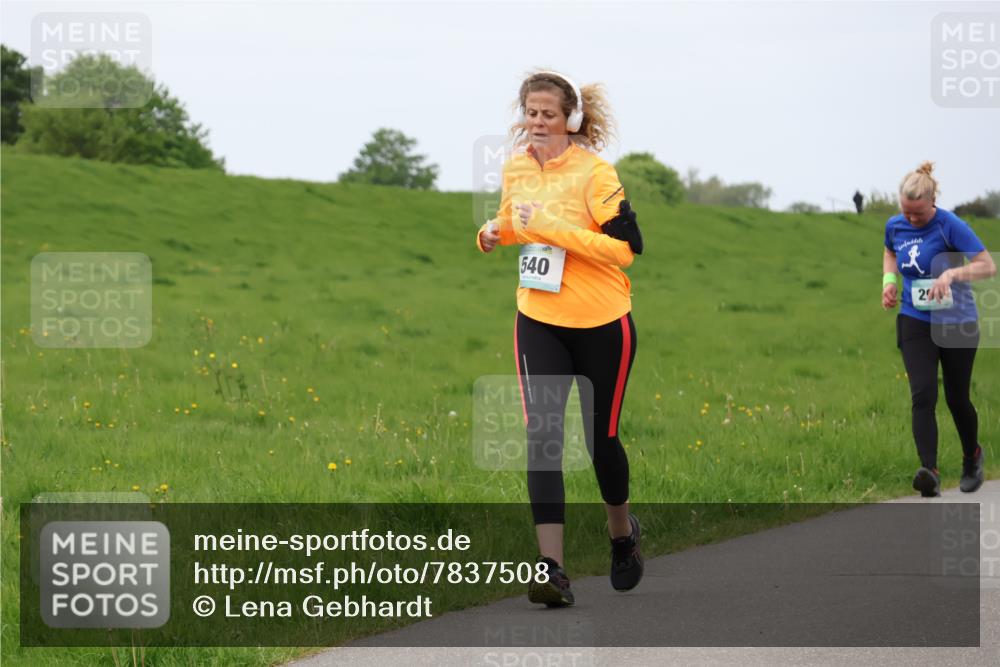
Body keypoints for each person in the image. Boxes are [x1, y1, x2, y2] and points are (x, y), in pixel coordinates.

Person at [475, 70, 645, 606]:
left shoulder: (596, 173)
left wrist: (552, 227)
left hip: (602, 320)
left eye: (549, 114)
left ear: (569, 119)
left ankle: (622, 536)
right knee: (543, 437)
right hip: (539, 317)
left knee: (601, 441)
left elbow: (625, 249)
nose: (538, 122)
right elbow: (515, 222)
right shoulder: (516, 166)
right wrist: (491, 233)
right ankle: (552, 569)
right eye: (531, 112)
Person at [881, 161, 996, 497]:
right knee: (923, 394)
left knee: (957, 398)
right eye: (906, 212)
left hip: (957, 321)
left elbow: (987, 266)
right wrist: (889, 282)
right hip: (915, 318)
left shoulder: (950, 225)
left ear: (932, 202)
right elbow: (890, 252)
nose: (911, 219)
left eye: (918, 214)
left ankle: (972, 457)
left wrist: (951, 274)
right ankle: (929, 472)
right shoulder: (895, 226)